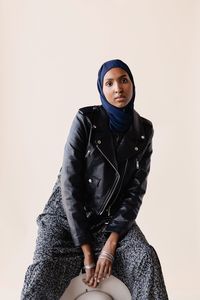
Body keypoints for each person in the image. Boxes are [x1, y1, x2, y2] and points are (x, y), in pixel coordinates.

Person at [21, 59, 169, 299]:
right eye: (109, 83)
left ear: (132, 84)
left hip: (111, 220)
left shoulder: (143, 130)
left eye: (123, 80)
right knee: (42, 272)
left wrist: (111, 245)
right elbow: (68, 186)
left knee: (145, 258)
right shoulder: (85, 120)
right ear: (101, 88)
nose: (118, 88)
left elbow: (135, 191)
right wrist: (88, 252)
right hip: (65, 216)